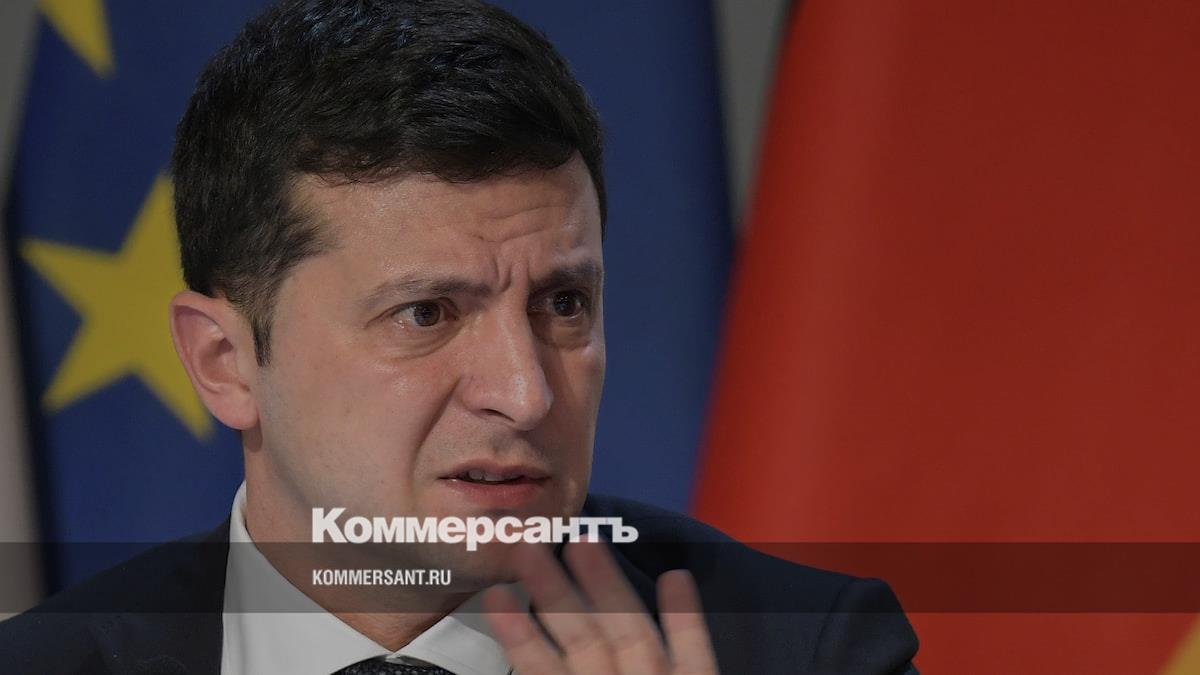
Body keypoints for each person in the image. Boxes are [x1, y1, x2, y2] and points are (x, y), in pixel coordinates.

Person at [0, 0, 919, 672]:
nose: (526, 393)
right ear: (225, 361)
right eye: (426, 313)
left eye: (563, 303)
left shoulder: (815, 652)